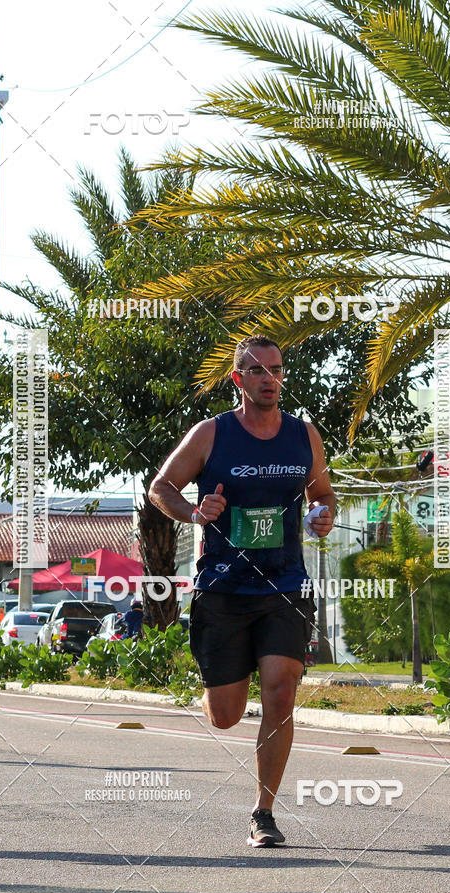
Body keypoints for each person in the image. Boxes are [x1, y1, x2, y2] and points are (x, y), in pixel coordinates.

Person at [149, 334, 335, 848]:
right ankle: (229, 677)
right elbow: (160, 487)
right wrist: (193, 511)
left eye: (276, 370)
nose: (269, 379)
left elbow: (322, 495)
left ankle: (264, 812)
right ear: (238, 379)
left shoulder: (304, 436)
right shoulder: (211, 434)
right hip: (223, 590)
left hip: (284, 587)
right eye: (257, 371)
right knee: (225, 715)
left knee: (280, 691)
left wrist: (323, 516)